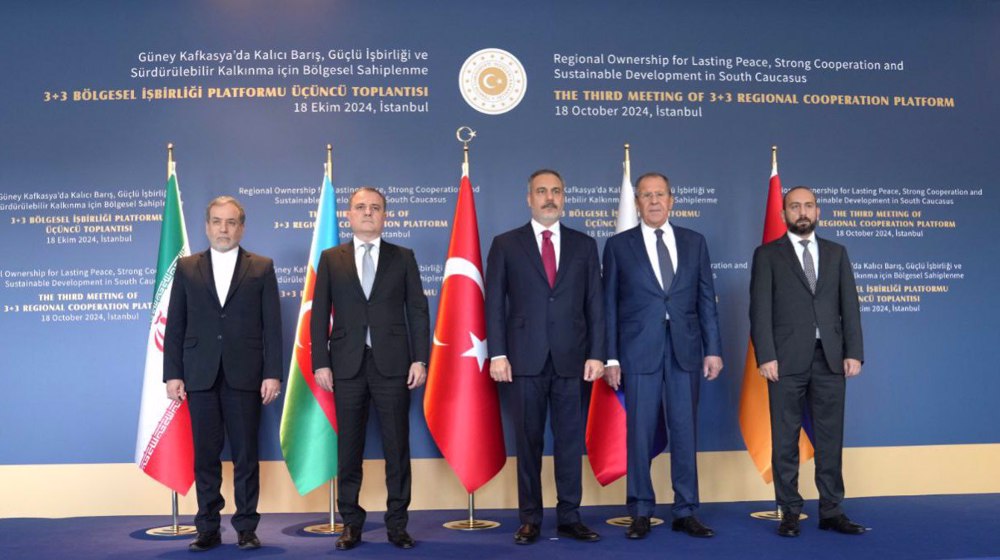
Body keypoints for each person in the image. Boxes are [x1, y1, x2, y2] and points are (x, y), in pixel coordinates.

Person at [485, 169, 605, 544]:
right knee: (528, 441)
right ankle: (530, 519)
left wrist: (598, 354)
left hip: (573, 359)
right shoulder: (506, 244)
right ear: (529, 198)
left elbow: (595, 305)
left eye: (555, 191)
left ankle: (569, 516)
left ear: (564, 196)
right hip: (523, 360)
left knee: (570, 442)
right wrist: (498, 353)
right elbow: (494, 305)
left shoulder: (584, 245)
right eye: (541, 191)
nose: (549, 197)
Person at [602, 172, 723, 540]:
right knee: (639, 433)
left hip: (686, 351)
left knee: (685, 432)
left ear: (672, 200)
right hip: (637, 352)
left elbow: (706, 300)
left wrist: (713, 349)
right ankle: (640, 510)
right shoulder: (619, 245)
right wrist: (610, 358)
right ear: (637, 203)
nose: (654, 201)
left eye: (660, 195)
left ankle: (685, 510)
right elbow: (608, 306)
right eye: (646, 196)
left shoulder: (694, 242)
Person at [311, 186, 430, 550]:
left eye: (375, 208)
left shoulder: (403, 257)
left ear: (385, 215)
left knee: (397, 448)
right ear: (349, 214)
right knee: (349, 449)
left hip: (393, 364)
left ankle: (397, 523)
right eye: (360, 207)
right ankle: (351, 522)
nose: (367, 212)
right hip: (345, 365)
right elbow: (319, 314)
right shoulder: (332, 258)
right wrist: (320, 362)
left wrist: (420, 358)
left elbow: (417, 311)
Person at [163, 196, 283, 551]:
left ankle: (246, 527)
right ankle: (208, 528)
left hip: (246, 376)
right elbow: (176, 325)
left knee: (246, 455)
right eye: (217, 221)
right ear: (207, 226)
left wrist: (272, 373)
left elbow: (272, 326)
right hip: (199, 375)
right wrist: (173, 374)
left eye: (231, 222)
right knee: (205, 456)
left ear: (242, 227)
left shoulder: (261, 266)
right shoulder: (186, 268)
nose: (224, 229)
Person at [749, 185, 865, 537]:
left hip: (830, 359)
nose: (802, 211)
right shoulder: (768, 254)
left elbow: (850, 307)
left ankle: (831, 510)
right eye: (795, 206)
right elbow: (759, 310)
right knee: (785, 439)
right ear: (784, 214)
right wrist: (766, 355)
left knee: (830, 438)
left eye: (808, 206)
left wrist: (854, 352)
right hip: (784, 361)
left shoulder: (837, 253)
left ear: (819, 212)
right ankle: (789, 511)